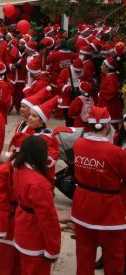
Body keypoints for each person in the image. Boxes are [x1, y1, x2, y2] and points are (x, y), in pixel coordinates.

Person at [71, 106, 126, 275]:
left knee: (84, 252)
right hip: (109, 209)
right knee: (114, 254)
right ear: (108, 125)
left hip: (82, 205)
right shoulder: (116, 152)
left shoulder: (78, 144)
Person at [11, 136, 60, 275]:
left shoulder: (19, 169)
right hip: (34, 234)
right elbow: (48, 219)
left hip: (22, 225)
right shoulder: (40, 183)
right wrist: (53, 248)